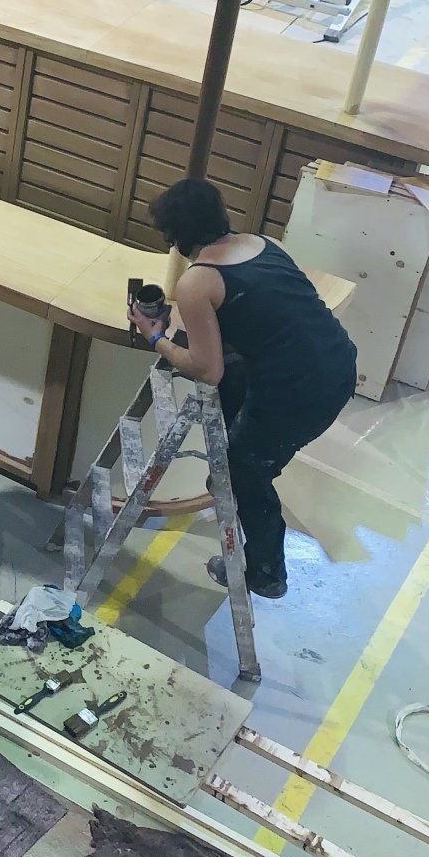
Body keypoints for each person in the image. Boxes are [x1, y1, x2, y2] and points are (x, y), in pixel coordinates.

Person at [128, 179, 356, 601]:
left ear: (175, 237)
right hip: (338, 363)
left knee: (242, 472)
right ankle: (244, 446)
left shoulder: (198, 283)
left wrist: (156, 337)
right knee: (239, 389)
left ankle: (266, 573)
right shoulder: (261, 244)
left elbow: (207, 370)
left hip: (301, 392)